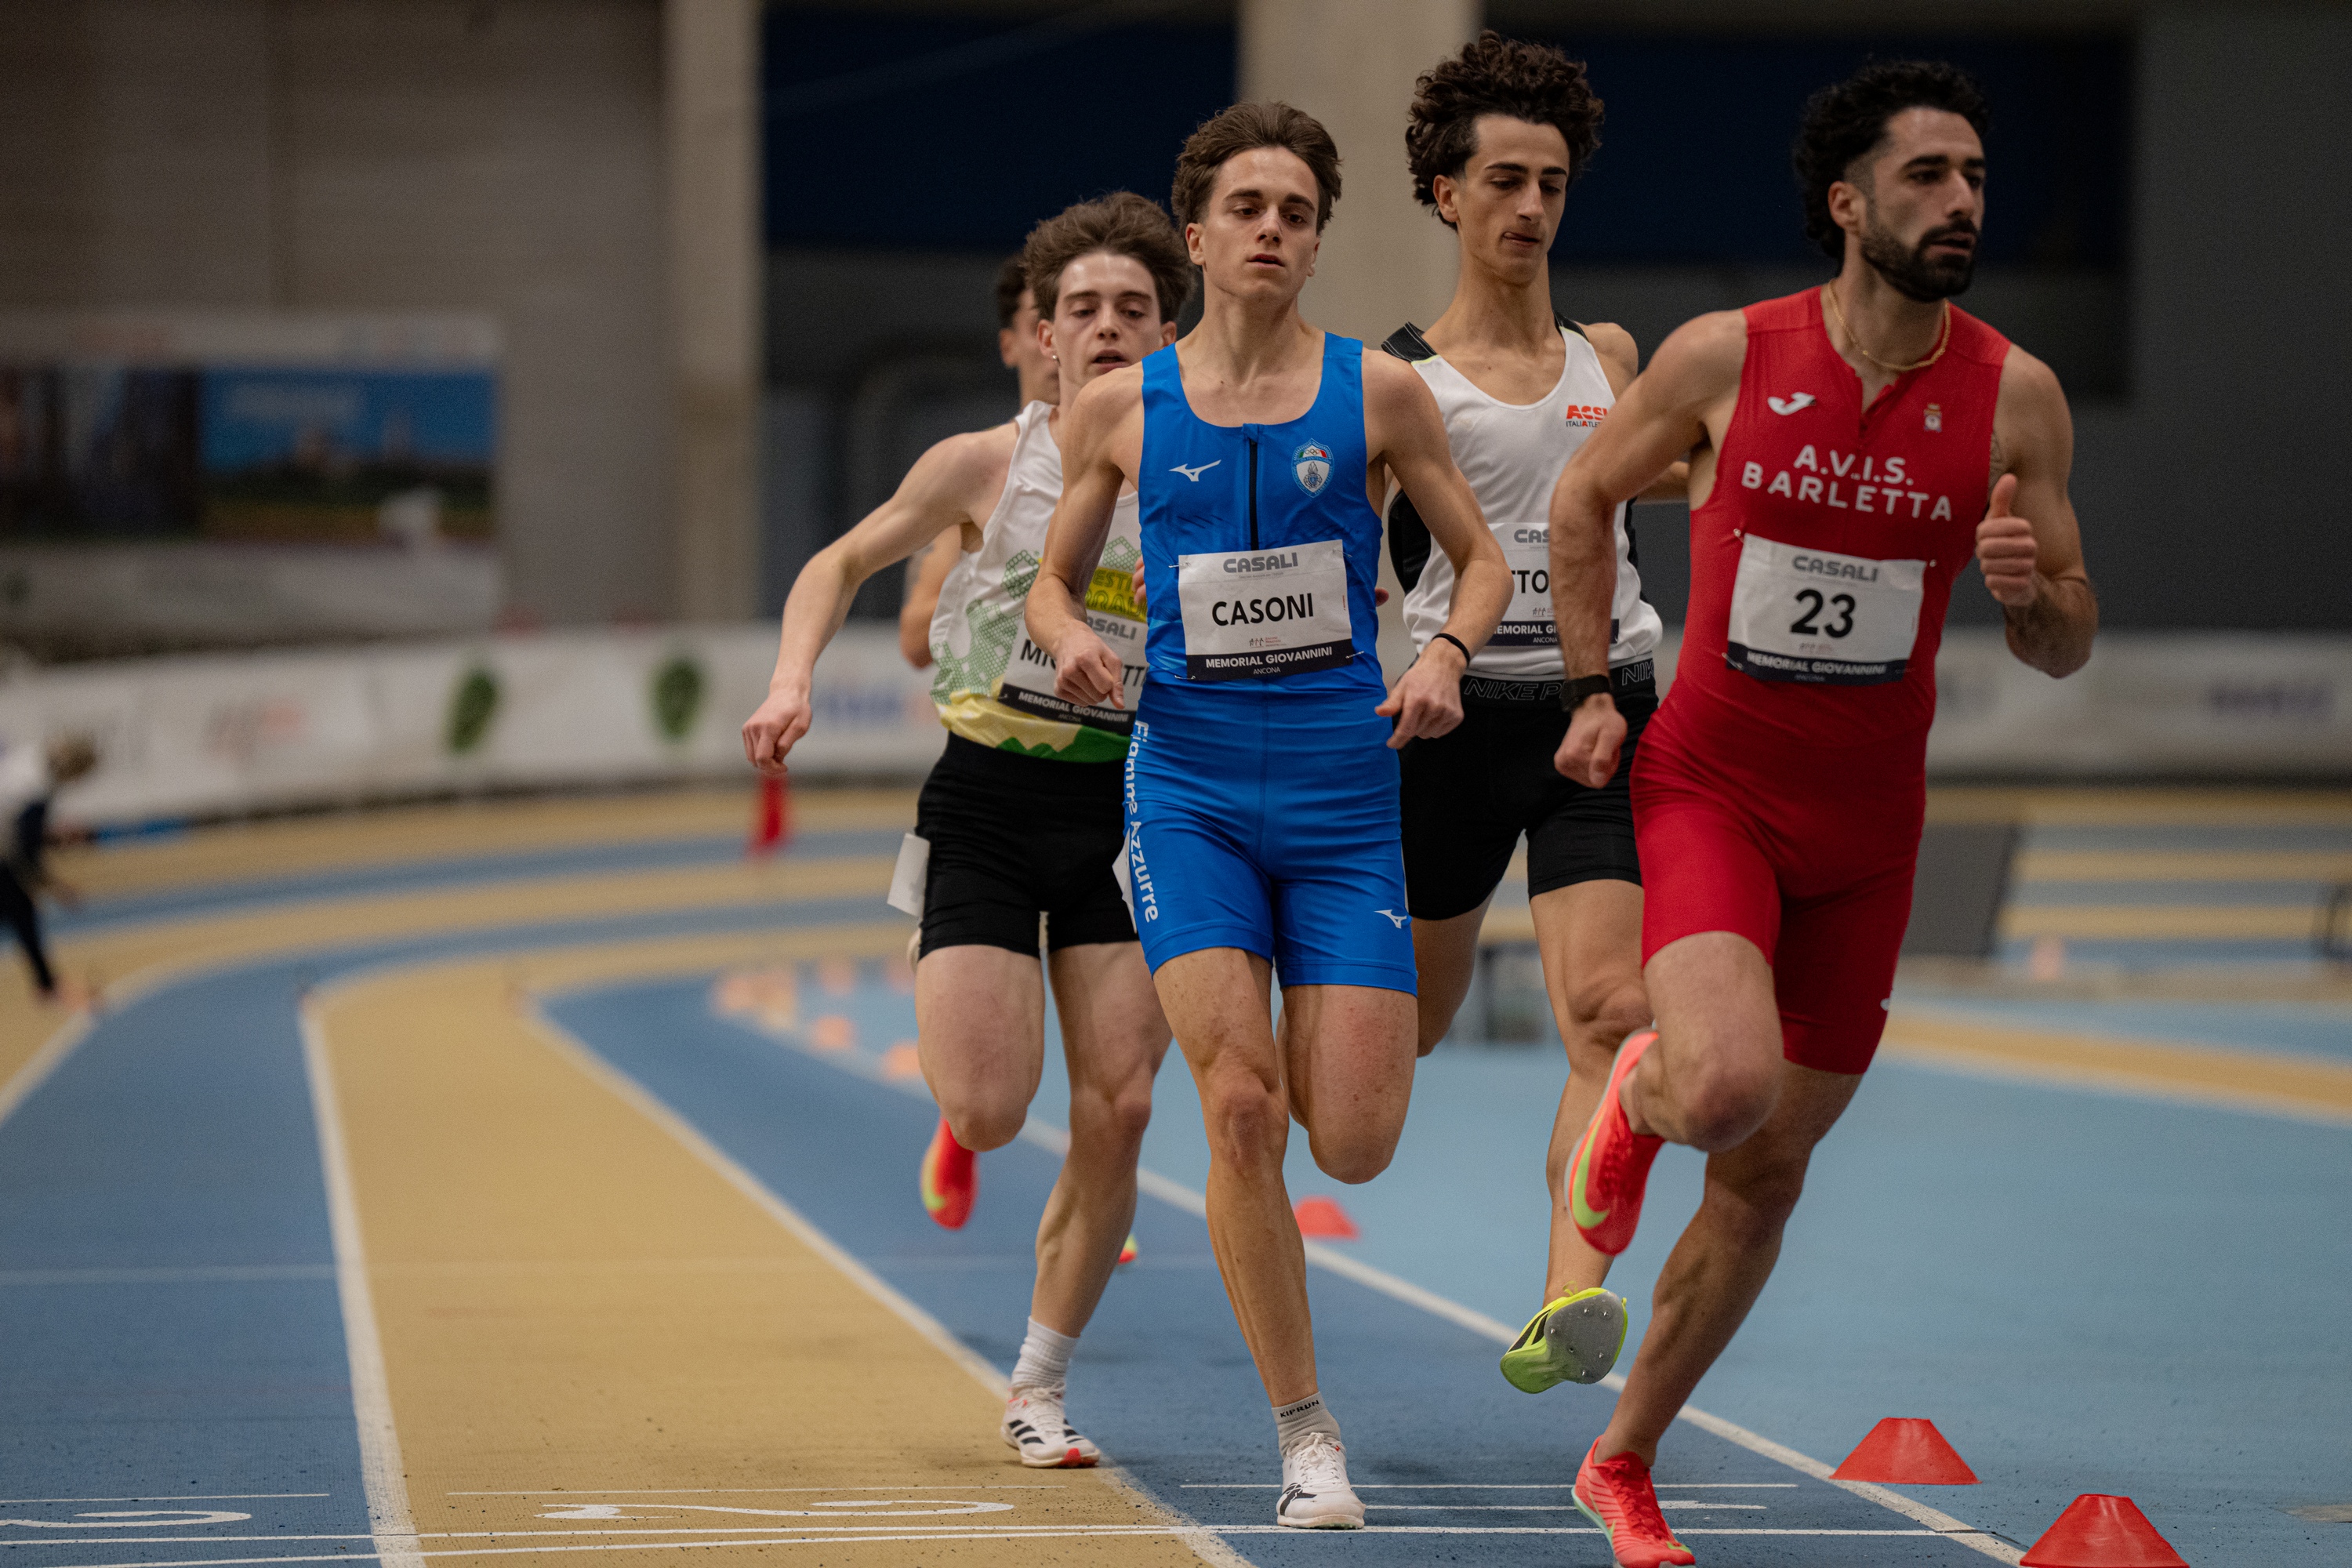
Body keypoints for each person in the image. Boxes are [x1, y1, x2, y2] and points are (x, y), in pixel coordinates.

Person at [1542, 61, 2096, 1566]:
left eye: (1976, 176)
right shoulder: (1727, 357)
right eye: (1927, 175)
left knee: (1768, 1168)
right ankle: (1641, 1091)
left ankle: (1623, 1459)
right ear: (1847, 203)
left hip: (1870, 833)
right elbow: (1583, 499)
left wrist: (2033, 600)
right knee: (1723, 1091)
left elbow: (2067, 638)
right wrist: (1592, 686)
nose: (1962, 201)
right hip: (1713, 788)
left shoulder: (2017, 395)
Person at [1027, 102, 1510, 1530]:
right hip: (1185, 787)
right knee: (1240, 1109)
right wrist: (1068, 634)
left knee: (1351, 1138)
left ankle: (1312, 1119)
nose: (1272, 231)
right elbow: (1052, 583)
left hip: (1344, 793)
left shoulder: (1381, 394)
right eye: (1247, 207)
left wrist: (1445, 654)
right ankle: (1307, 1436)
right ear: (1197, 235)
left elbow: (1480, 564)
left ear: (1315, 242)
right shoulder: (1121, 406)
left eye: (1296, 213)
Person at [740, 192, 1194, 1469]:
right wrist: (790, 680)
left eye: (1134, 309)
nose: (1107, 328)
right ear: (1042, 335)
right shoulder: (980, 466)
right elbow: (835, 565)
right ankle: (961, 1019)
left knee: (1122, 1103)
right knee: (990, 1111)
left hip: (1128, 805)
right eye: (1082, 309)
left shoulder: (1203, 472)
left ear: (1170, 332)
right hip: (986, 802)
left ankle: (1038, 1384)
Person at [1379, 31, 1690, 1399]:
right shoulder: (1396, 379)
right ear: (1446, 193)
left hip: (1597, 712)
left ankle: (1566, 1300)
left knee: (1612, 1016)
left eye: (1552, 184)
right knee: (1405, 1039)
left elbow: (1683, 474)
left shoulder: (1609, 356)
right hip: (1449, 732)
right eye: (1504, 181)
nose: (1530, 208)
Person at [899, 256, 1063, 669]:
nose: (1060, 344)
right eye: (1041, 324)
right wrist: (1036, 579)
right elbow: (915, 639)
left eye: (1078, 317)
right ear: (1010, 346)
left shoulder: (1159, 465)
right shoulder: (976, 471)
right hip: (996, 708)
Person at [0, 735, 97, 1006]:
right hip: (5, 850)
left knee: (19, 911)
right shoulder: (37, 788)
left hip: (5, 846)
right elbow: (23, 850)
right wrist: (55, 887)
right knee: (20, 910)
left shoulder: (30, 757)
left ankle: (46, 985)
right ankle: (47, 986)